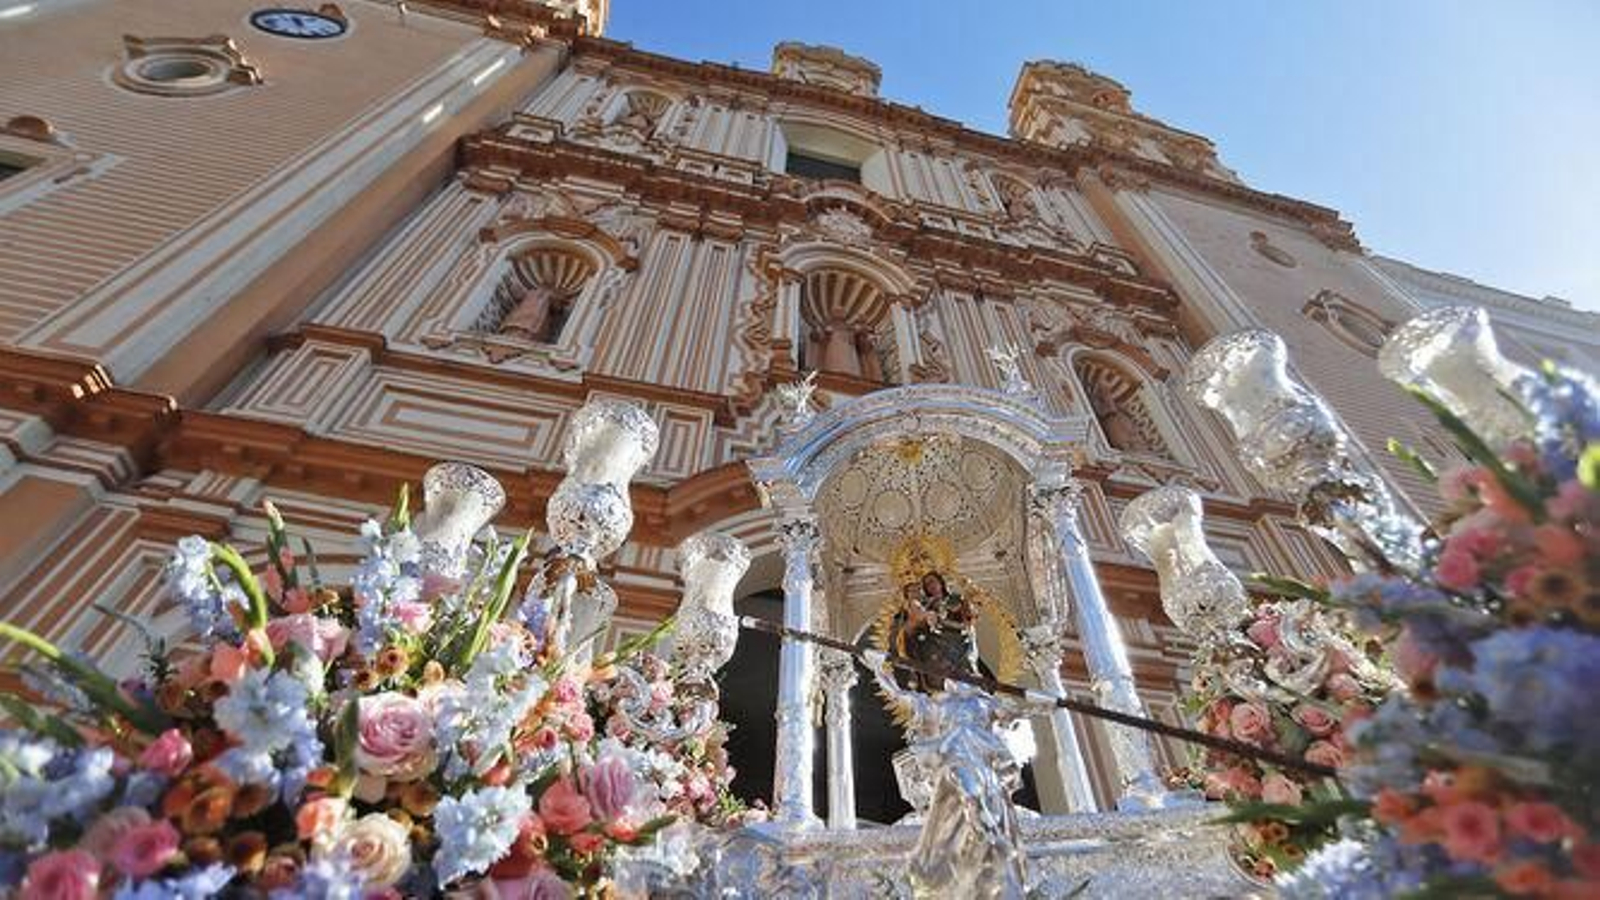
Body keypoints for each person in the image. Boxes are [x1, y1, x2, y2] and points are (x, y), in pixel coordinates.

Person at [865, 650, 1048, 899]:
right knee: (965, 786)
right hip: (955, 762)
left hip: (985, 769)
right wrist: (879, 670)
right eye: (949, 674)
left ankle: (988, 850)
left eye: (960, 672)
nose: (954, 677)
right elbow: (900, 696)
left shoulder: (984, 703)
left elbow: (1017, 713)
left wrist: (1043, 703)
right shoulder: (938, 705)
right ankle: (989, 838)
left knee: (987, 803)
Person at [888, 572, 979, 693]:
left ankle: (962, 677)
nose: (930, 586)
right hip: (933, 642)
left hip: (958, 638)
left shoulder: (955, 598)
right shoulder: (925, 605)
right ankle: (941, 680)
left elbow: (968, 618)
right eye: (926, 584)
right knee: (928, 647)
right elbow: (915, 626)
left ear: (941, 582)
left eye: (932, 581)